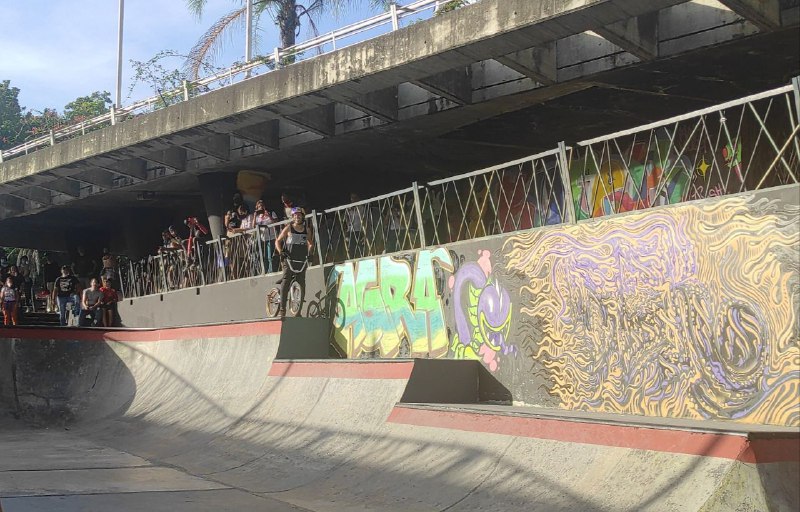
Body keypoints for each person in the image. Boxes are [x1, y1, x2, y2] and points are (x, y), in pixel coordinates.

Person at [275, 207, 314, 317]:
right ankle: (282, 309)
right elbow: (278, 241)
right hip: (289, 259)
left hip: (301, 260)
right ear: (292, 217)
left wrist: (310, 253)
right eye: (295, 215)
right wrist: (281, 251)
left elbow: (310, 243)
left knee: (301, 283)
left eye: (299, 215)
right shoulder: (288, 228)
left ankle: (299, 311)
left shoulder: (307, 230)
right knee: (286, 281)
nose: (297, 217)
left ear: (302, 216)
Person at [254, 200, 280, 273]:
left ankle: (271, 271)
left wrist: (268, 215)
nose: (260, 207)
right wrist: (255, 216)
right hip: (262, 239)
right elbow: (253, 226)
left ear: (264, 206)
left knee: (270, 255)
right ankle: (264, 271)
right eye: (259, 206)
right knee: (264, 256)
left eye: (262, 206)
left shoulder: (271, 213)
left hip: (271, 237)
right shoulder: (257, 216)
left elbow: (276, 222)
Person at [346, 192, 367, 259]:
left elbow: (365, 219)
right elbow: (346, 220)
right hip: (351, 231)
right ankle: (352, 261)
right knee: (351, 248)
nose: (353, 199)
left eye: (355, 198)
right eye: (352, 198)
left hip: (359, 230)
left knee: (360, 248)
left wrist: (364, 231)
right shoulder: (349, 208)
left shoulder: (361, 208)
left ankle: (361, 259)